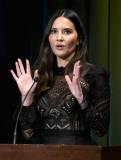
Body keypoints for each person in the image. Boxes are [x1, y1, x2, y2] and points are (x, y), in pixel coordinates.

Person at [10, 9, 110, 145]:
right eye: (54, 31)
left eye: (67, 32)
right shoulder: (38, 76)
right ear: (48, 38)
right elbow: (28, 133)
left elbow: (101, 129)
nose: (59, 38)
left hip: (80, 155)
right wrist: (26, 99)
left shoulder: (94, 74)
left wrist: (82, 100)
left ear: (79, 38)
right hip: (42, 155)